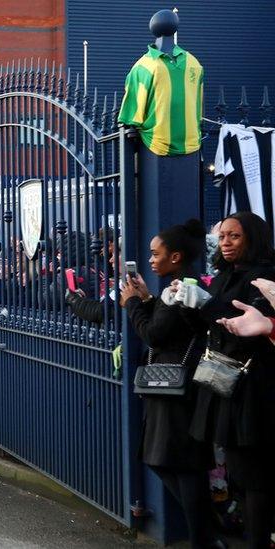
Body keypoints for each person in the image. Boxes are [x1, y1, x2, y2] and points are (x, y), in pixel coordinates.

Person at [118, 220, 222, 548]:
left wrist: (133, 304)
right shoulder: (173, 288)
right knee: (162, 459)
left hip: (180, 390)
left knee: (181, 464)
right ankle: (206, 532)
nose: (150, 260)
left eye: (155, 254)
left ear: (175, 257)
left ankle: (204, 537)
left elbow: (155, 334)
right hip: (172, 388)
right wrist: (148, 301)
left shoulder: (183, 288)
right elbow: (166, 328)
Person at [179, 212, 275, 548]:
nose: (226, 243)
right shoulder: (222, 276)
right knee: (237, 472)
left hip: (252, 389)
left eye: (234, 236)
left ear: (253, 237)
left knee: (255, 478)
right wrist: (187, 305)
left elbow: (244, 333)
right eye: (222, 237)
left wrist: (206, 304)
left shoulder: (264, 276)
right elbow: (209, 330)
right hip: (222, 384)